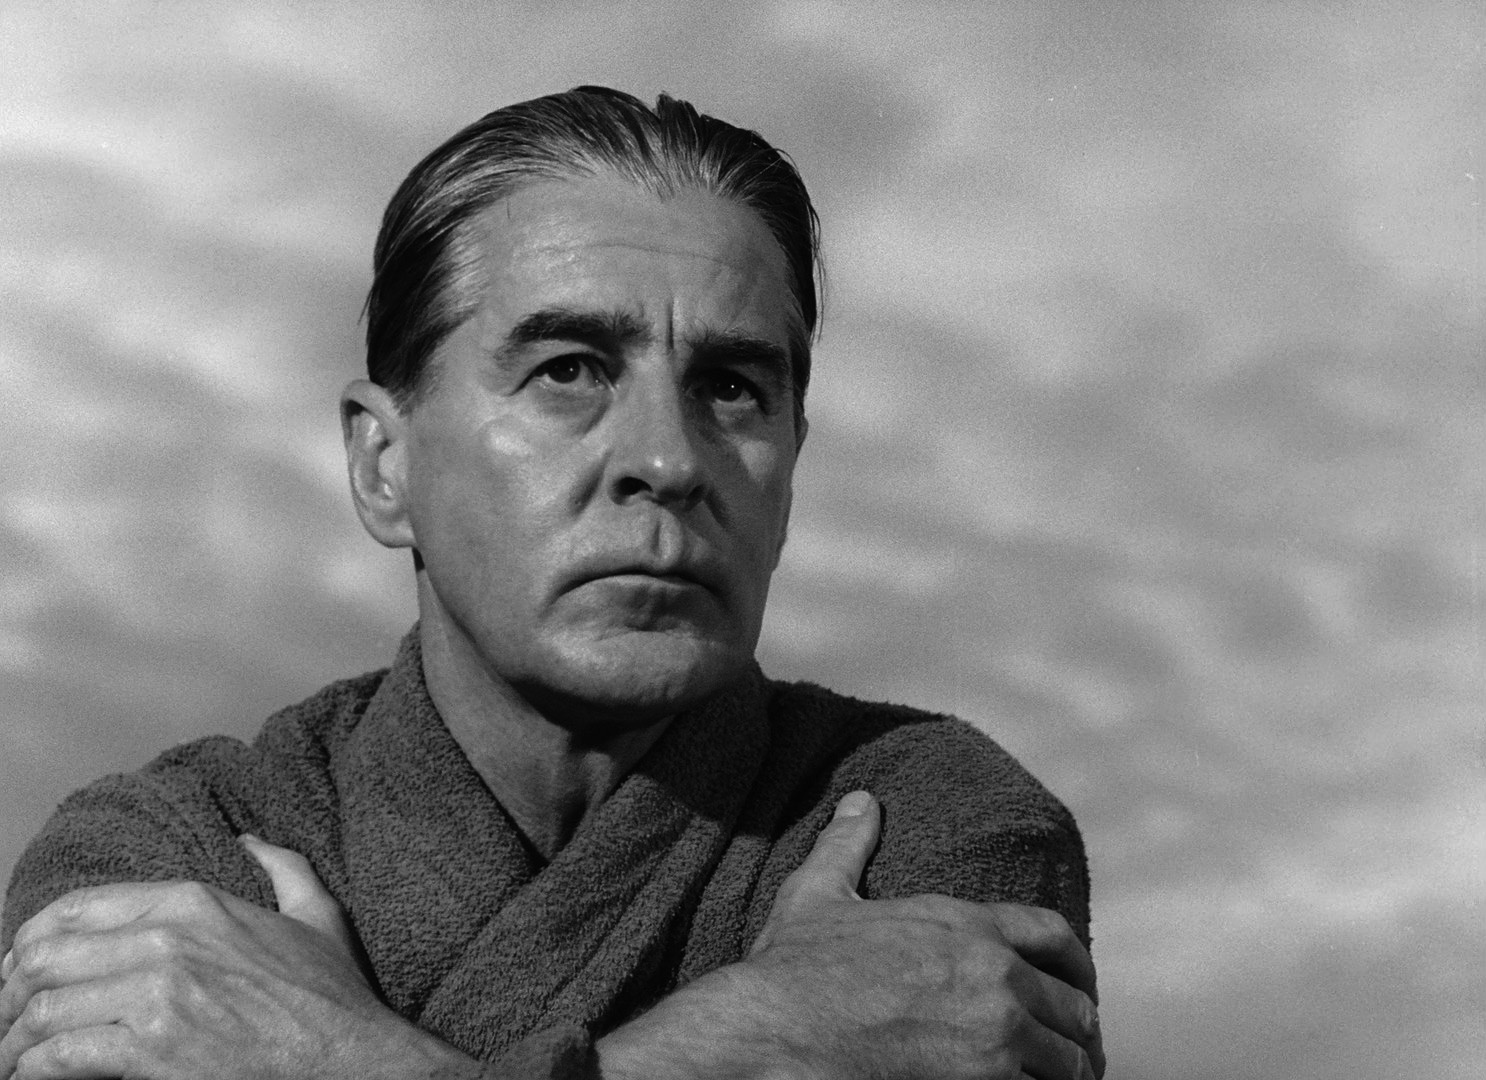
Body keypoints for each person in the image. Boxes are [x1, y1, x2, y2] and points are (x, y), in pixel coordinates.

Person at [0, 87, 1103, 1079]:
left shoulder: (925, 822)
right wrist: (766, 1040)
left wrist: (336, 1058)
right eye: (567, 371)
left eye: (730, 388)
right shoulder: (170, 866)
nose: (668, 461)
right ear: (383, 466)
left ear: (791, 469)